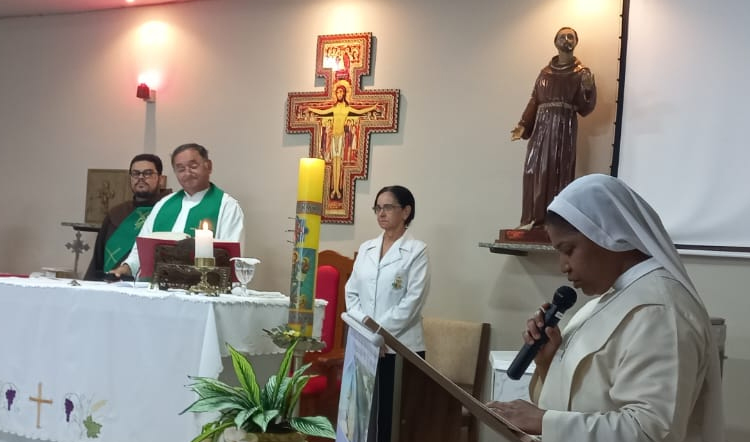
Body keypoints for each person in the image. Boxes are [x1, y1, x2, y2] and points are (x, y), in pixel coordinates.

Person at [488, 174, 725, 441]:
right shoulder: (605, 302)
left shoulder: (660, 310)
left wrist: (542, 421)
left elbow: (651, 432)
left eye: (568, 249)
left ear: (607, 233)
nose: (563, 266)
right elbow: (577, 401)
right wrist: (548, 362)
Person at [345, 185, 430, 442]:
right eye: (378, 208)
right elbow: (352, 293)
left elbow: (412, 302)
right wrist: (368, 333)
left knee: (390, 421)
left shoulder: (417, 251)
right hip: (364, 345)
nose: (381, 213)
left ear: (406, 211)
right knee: (361, 419)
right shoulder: (367, 248)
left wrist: (380, 335)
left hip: (398, 348)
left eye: (388, 207)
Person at [110, 143, 245, 278]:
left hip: (202, 287)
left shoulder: (226, 206)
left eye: (193, 166)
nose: (187, 173)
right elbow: (140, 250)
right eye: (180, 169)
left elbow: (232, 258)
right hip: (156, 286)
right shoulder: (163, 204)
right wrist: (125, 268)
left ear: (208, 166)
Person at [511, 27, 596, 230]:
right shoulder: (545, 73)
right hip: (541, 127)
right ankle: (532, 218)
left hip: (563, 127)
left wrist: (588, 89)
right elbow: (535, 99)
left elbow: (585, 108)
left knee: (558, 169)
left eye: (570, 37)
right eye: (562, 36)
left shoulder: (581, 73)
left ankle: (554, 222)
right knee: (534, 169)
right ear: (555, 42)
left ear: (576, 42)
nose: (566, 40)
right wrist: (524, 124)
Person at [84, 154, 165, 280]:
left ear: (160, 178)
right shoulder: (116, 213)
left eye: (147, 173)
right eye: (135, 173)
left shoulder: (169, 210)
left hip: (150, 285)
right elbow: (98, 260)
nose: (141, 177)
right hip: (112, 284)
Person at [307, 81, 378, 200]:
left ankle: (337, 189)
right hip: (333, 137)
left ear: (344, 93)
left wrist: (372, 107)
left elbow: (359, 111)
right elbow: (322, 112)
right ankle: (334, 189)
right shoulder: (334, 108)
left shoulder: (347, 108)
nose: (339, 94)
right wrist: (311, 109)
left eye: (341, 92)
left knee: (338, 164)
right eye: (337, 92)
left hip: (340, 137)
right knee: (334, 163)